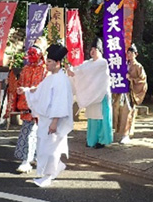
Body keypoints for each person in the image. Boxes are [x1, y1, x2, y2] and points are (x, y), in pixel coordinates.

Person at [18, 44, 73, 188]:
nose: (46, 64)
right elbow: (40, 90)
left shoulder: (62, 79)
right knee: (44, 147)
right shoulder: (51, 78)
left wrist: (54, 122)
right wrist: (26, 90)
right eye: (47, 61)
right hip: (46, 119)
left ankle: (49, 176)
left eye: (49, 62)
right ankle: (55, 168)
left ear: (57, 63)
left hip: (55, 119)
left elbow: (60, 102)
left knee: (51, 149)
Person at [8, 45, 48, 173]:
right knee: (29, 132)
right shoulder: (26, 69)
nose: (30, 58)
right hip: (26, 106)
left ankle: (30, 158)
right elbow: (19, 85)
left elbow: (44, 89)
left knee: (37, 133)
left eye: (32, 55)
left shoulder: (45, 70)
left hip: (40, 107)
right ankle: (28, 158)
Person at [68, 37, 113, 149]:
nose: (92, 51)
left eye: (95, 49)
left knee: (101, 117)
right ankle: (91, 140)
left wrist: (75, 73)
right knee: (92, 117)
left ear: (100, 51)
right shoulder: (87, 63)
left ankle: (103, 140)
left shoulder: (103, 63)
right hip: (91, 95)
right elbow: (80, 70)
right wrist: (71, 71)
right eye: (91, 49)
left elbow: (85, 73)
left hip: (101, 95)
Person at [112, 44, 147, 145]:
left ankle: (126, 135)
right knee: (117, 110)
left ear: (136, 54)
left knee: (127, 113)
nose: (129, 55)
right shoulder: (124, 64)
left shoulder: (138, 66)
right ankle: (119, 132)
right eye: (128, 53)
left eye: (131, 53)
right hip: (121, 92)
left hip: (131, 93)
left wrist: (131, 79)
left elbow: (142, 80)